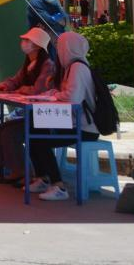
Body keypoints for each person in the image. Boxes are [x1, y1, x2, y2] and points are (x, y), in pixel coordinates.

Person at [28, 32, 101, 202]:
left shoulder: (77, 68)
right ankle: (43, 178)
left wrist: (55, 96)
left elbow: (72, 97)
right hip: (75, 123)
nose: (58, 51)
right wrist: (54, 92)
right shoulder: (72, 67)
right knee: (34, 130)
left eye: (60, 47)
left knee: (39, 139)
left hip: (84, 128)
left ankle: (58, 185)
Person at [0, 27, 55, 185]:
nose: (23, 43)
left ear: (37, 45)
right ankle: (10, 169)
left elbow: (38, 90)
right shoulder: (29, 64)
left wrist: (22, 89)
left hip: (43, 119)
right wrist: (5, 85)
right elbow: (16, 80)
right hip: (31, 116)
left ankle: (24, 172)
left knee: (9, 133)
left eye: (27, 40)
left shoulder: (48, 65)